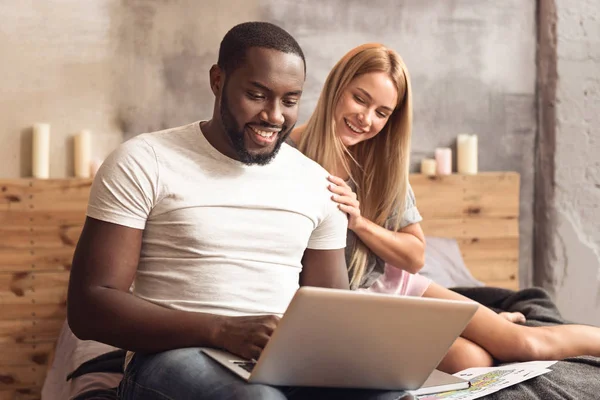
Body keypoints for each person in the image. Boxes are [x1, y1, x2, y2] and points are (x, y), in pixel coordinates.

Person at [67, 23, 413, 400]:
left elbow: (332, 315)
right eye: (257, 94)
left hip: (283, 363)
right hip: (168, 359)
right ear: (218, 80)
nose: (274, 116)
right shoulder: (144, 161)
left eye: (290, 100)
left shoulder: (318, 184)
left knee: (391, 395)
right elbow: (90, 306)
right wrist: (222, 330)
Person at [290, 43, 600, 374]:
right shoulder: (287, 154)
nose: (365, 119)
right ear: (337, 85)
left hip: (398, 287)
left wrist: (359, 223)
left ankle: (504, 326)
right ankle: (491, 324)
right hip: (357, 308)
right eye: (360, 99)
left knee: (525, 345)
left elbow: (415, 257)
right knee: (473, 360)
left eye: (382, 112)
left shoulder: (380, 166)